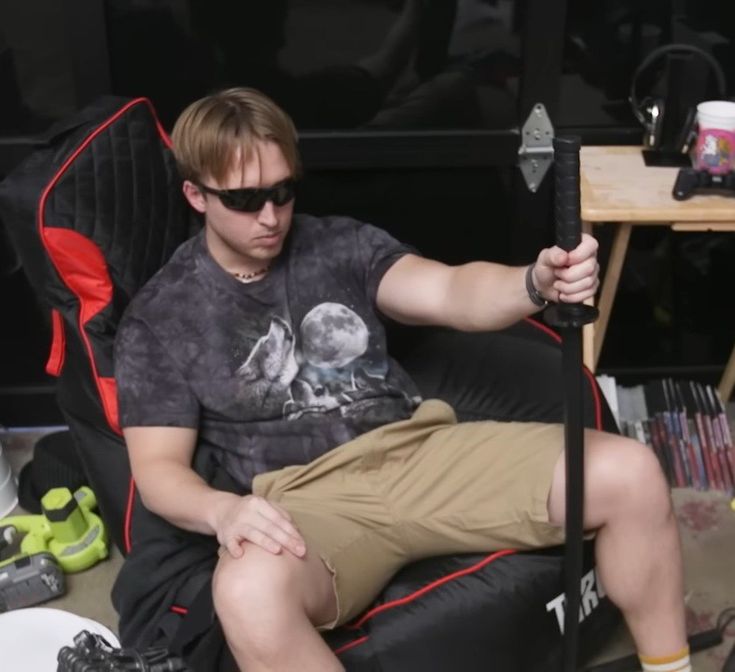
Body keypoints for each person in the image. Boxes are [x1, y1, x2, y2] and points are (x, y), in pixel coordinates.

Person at [112, 87, 690, 672]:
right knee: (245, 593)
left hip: (418, 452)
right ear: (196, 195)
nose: (270, 215)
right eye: (245, 198)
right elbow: (158, 472)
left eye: (283, 190)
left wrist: (535, 282)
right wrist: (222, 512)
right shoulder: (163, 317)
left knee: (632, 473)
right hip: (307, 501)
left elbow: (450, 290)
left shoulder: (336, 244)